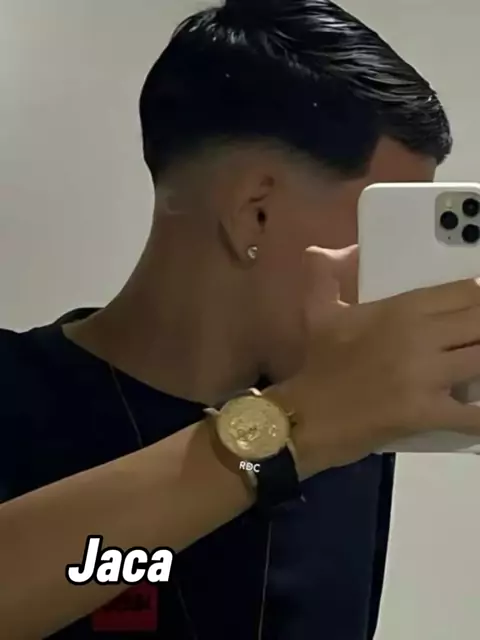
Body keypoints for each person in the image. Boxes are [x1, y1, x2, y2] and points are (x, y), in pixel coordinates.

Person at [3, 0, 480, 638]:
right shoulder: (14, 398)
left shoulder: (352, 447)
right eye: (382, 226)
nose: (389, 278)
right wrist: (295, 429)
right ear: (254, 211)